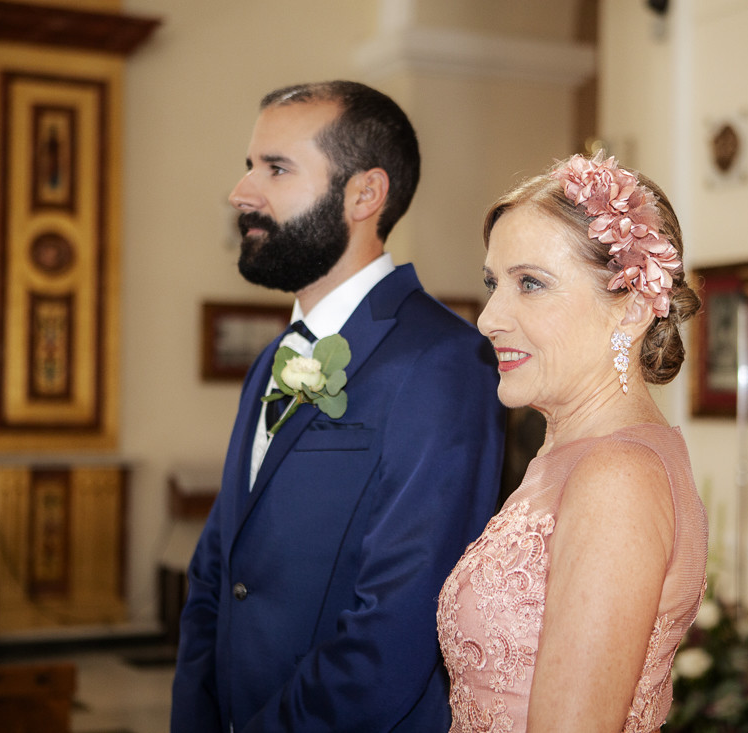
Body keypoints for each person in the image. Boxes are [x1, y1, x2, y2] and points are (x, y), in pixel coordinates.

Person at [171, 80, 506, 733]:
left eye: (275, 168)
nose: (242, 192)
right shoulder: (272, 359)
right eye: (249, 166)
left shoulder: (444, 363)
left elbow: (396, 628)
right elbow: (217, 570)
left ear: (364, 193)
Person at [437, 152, 709, 732]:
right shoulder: (571, 457)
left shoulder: (618, 476)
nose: (488, 318)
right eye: (493, 284)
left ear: (633, 307)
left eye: (530, 284)